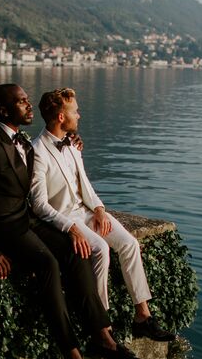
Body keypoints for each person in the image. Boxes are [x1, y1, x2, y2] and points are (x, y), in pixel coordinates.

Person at [0, 83, 143, 359]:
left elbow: (36, 184)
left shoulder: (25, 143)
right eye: (21, 102)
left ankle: (103, 337)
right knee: (47, 264)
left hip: (26, 219)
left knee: (77, 250)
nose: (29, 106)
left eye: (29, 101)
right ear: (2, 110)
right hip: (3, 228)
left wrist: (71, 145)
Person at [30, 87, 175, 342]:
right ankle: (101, 324)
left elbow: (84, 184)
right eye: (75, 111)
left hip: (87, 212)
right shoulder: (38, 151)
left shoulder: (73, 144)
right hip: (66, 218)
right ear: (61, 117)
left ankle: (143, 315)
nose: (80, 115)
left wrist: (98, 209)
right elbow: (40, 204)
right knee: (100, 249)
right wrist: (70, 228)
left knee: (129, 243)